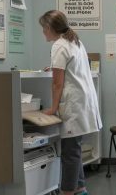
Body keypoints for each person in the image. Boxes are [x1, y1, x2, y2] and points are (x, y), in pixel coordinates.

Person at [39, 10, 102, 195]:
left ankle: (67, 192)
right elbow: (73, 68)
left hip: (75, 105)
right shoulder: (75, 41)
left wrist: (53, 108)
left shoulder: (59, 45)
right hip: (84, 102)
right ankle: (80, 189)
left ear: (49, 27)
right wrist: (54, 67)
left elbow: (57, 83)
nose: (43, 32)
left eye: (43, 28)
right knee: (74, 150)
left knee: (70, 153)